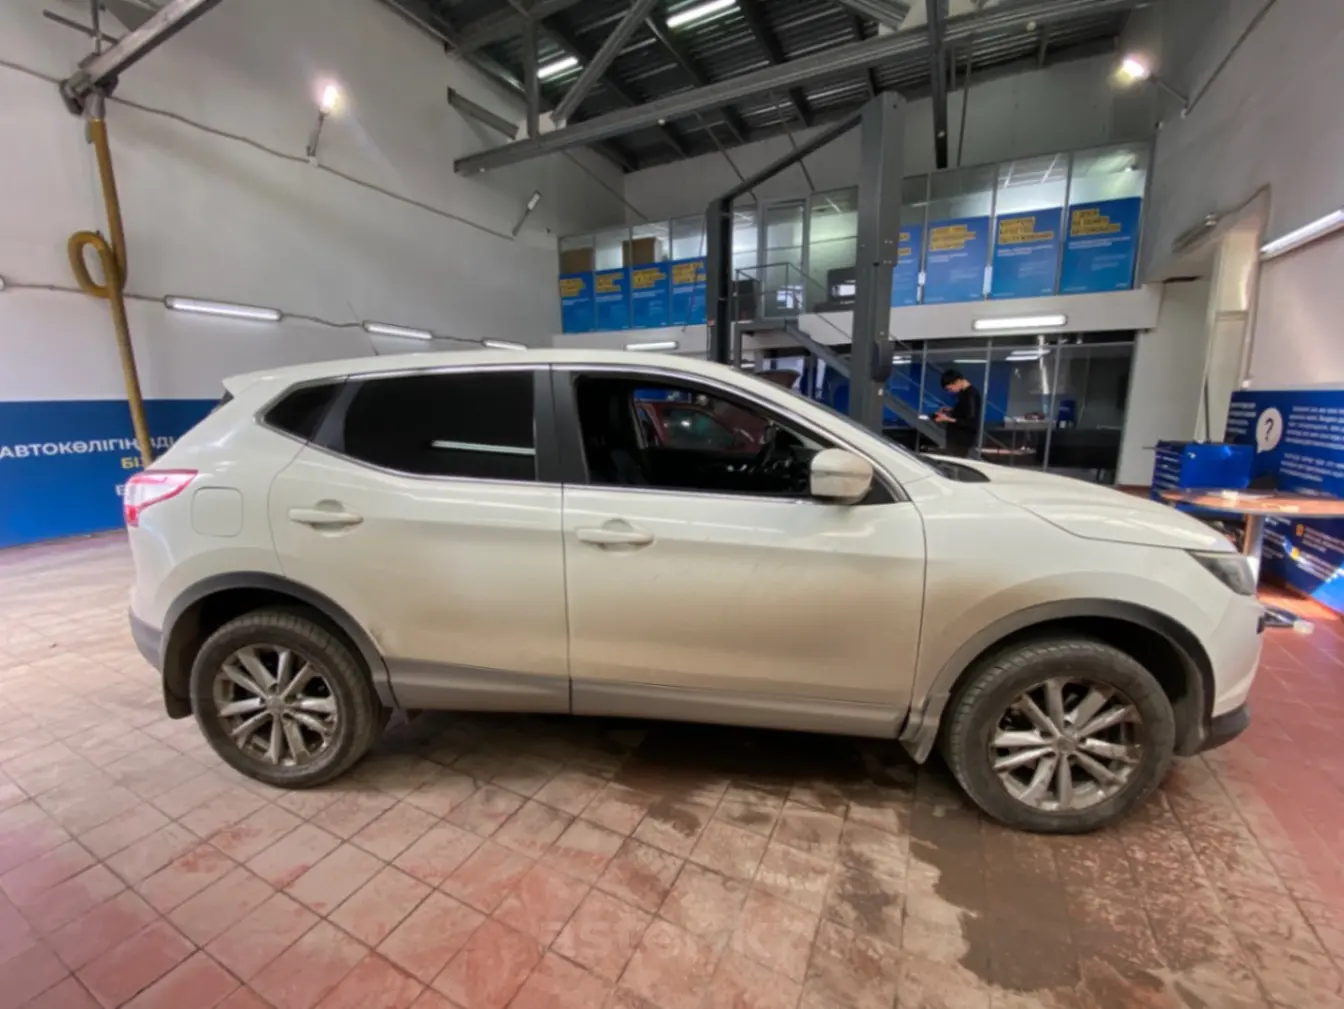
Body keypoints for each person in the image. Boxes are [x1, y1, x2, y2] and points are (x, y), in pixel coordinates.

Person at [935, 369, 982, 457]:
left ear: (957, 381)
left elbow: (970, 421)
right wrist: (950, 410)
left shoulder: (971, 395)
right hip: (957, 437)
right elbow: (965, 410)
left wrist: (947, 419)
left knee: (955, 460)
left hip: (962, 439)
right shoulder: (964, 393)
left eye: (950, 388)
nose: (950, 391)